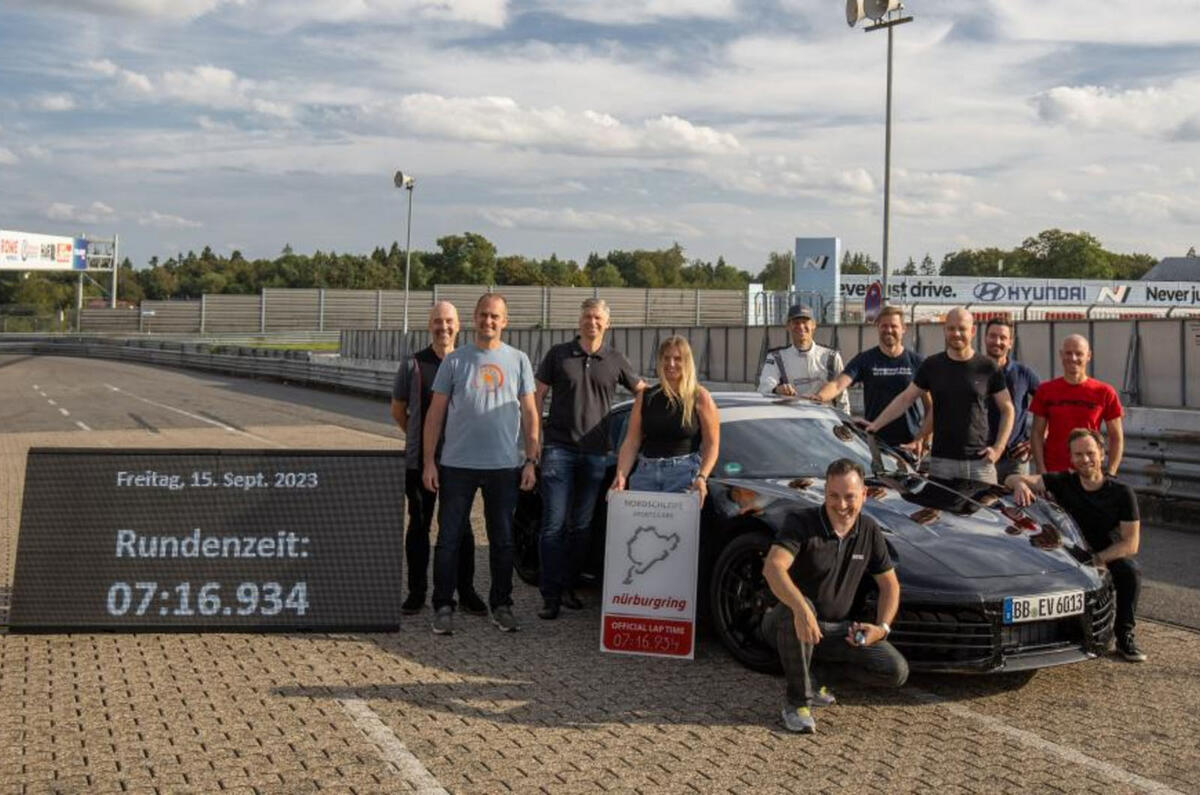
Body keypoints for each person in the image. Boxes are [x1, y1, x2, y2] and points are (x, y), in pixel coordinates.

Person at [761, 458, 908, 734]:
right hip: (787, 621)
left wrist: (881, 628)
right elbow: (773, 568)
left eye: (850, 497)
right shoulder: (801, 523)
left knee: (895, 670)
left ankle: (816, 677)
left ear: (864, 494)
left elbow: (890, 585)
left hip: (837, 629)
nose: (841, 505)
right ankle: (797, 704)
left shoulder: (869, 530)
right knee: (800, 609)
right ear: (824, 494)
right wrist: (801, 609)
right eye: (834, 496)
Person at [422, 293, 539, 635]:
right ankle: (443, 605)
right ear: (474, 319)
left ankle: (501, 605)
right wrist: (430, 462)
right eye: (483, 315)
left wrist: (531, 460)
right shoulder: (455, 361)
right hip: (457, 466)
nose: (489, 321)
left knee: (503, 540)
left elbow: (531, 414)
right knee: (447, 539)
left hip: (504, 467)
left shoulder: (518, 360)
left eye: (495, 316)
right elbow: (434, 415)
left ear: (505, 321)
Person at [534, 298, 644, 620]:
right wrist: (536, 438)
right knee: (553, 526)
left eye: (597, 318)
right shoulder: (558, 354)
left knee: (581, 527)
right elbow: (536, 395)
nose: (591, 322)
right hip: (558, 450)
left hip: (596, 454)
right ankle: (550, 594)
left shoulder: (615, 359)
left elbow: (642, 391)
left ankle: (569, 586)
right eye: (586, 316)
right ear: (579, 320)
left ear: (607, 323)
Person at [1005, 428, 1145, 662]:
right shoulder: (1062, 481)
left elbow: (1131, 543)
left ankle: (1124, 636)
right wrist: (1020, 484)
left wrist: (1097, 560)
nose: (1085, 459)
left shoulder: (1122, 493)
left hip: (1103, 554)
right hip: (1069, 553)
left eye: (1090, 453)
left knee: (1130, 572)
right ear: (1071, 458)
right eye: (1078, 454)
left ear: (1102, 453)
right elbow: (1009, 478)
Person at [390, 301, 487, 617]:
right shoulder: (413, 365)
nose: (443, 327)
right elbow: (397, 410)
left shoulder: (470, 363)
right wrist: (420, 441)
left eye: (448, 321)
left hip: (461, 463)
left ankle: (466, 590)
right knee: (419, 526)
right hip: (420, 463)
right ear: (428, 325)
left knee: (462, 529)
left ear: (459, 325)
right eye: (437, 321)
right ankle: (417, 592)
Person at [865, 307, 1014, 484]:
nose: (956, 334)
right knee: (939, 511)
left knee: (984, 511)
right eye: (951, 329)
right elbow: (906, 398)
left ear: (972, 331)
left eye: (962, 329)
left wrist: (998, 448)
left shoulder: (987, 367)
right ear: (944, 330)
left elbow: (1008, 409)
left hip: (979, 464)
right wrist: (875, 425)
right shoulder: (933, 365)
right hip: (941, 464)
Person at [611, 335, 719, 501]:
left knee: (678, 528)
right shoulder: (646, 397)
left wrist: (702, 477)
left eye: (677, 359)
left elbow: (712, 445)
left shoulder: (700, 397)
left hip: (684, 475)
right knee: (642, 527)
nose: (671, 364)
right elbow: (632, 441)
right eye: (666, 358)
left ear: (687, 362)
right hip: (645, 474)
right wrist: (621, 475)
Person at [810, 305, 930, 451]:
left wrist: (923, 440)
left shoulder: (917, 362)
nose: (889, 330)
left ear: (904, 328)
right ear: (878, 327)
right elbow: (838, 384)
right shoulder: (865, 359)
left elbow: (931, 407)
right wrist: (819, 397)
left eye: (894, 326)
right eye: (884, 326)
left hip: (907, 443)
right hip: (874, 440)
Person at [1030, 334, 1124, 475]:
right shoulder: (1045, 390)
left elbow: (1116, 437)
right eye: (1068, 353)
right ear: (1061, 355)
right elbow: (1036, 433)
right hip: (1054, 472)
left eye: (1079, 354)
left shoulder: (1104, 392)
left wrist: (1111, 472)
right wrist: (1041, 469)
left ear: (1089, 356)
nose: (1073, 358)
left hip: (1089, 472)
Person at [758, 305, 849, 413]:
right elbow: (763, 388)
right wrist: (777, 389)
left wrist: (846, 423)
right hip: (791, 421)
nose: (801, 326)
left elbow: (842, 396)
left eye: (805, 322)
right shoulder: (776, 357)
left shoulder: (831, 356)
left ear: (813, 325)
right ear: (788, 326)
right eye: (796, 322)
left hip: (825, 422)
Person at [982, 318, 1041, 481]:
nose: (997, 341)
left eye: (1003, 338)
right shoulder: (973, 371)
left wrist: (1035, 442)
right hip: (981, 458)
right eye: (992, 336)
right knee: (979, 505)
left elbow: (1049, 406)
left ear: (1010, 342)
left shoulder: (1023, 373)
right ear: (985, 338)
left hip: (1014, 460)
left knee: (1016, 505)